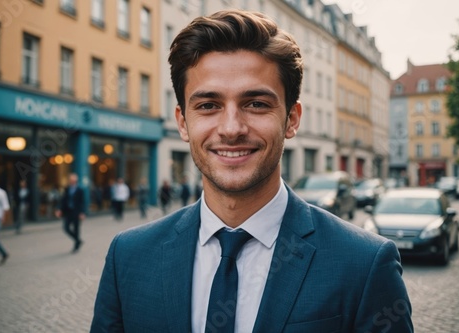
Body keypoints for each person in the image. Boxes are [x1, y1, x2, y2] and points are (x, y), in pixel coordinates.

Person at [91, 10, 413, 333]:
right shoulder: (128, 259)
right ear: (182, 122)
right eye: (208, 105)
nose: (232, 129)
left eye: (256, 104)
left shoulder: (364, 264)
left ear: (292, 119)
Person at [55, 173, 86, 253]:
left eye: (73, 180)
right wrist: (59, 209)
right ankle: (78, 240)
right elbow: (63, 200)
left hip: (76, 212)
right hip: (68, 212)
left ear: (76, 181)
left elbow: (82, 202)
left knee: (76, 229)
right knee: (66, 228)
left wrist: (82, 212)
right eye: (70, 180)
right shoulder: (67, 189)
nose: (71, 182)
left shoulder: (80, 190)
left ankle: (76, 245)